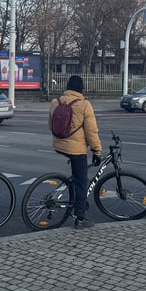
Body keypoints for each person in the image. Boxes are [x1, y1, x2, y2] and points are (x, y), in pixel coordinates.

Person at [49, 75, 103, 229]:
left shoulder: (55, 102)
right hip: (76, 149)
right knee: (81, 183)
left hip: (58, 144)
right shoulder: (84, 104)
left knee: (77, 173)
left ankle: (73, 194)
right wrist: (97, 151)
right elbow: (91, 132)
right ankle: (80, 218)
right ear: (81, 88)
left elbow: (50, 125)